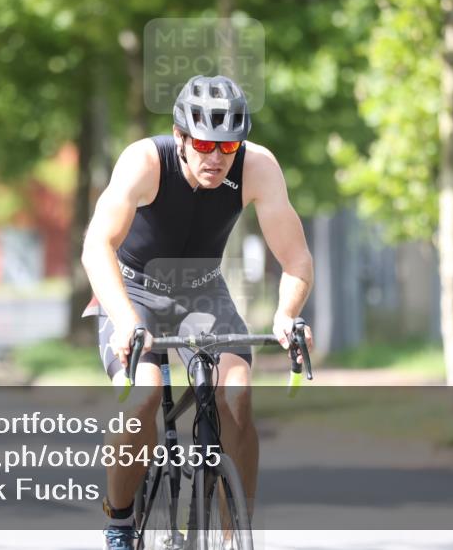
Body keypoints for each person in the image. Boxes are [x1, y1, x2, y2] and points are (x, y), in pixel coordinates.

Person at [80, 74, 314, 550]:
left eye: (227, 148)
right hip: (133, 290)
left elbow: (296, 260)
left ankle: (232, 536)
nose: (215, 157)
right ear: (181, 135)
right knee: (145, 397)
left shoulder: (258, 167)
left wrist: (287, 315)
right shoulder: (146, 160)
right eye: (205, 143)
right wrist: (125, 320)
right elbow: (96, 246)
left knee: (238, 396)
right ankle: (120, 521)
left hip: (203, 295)